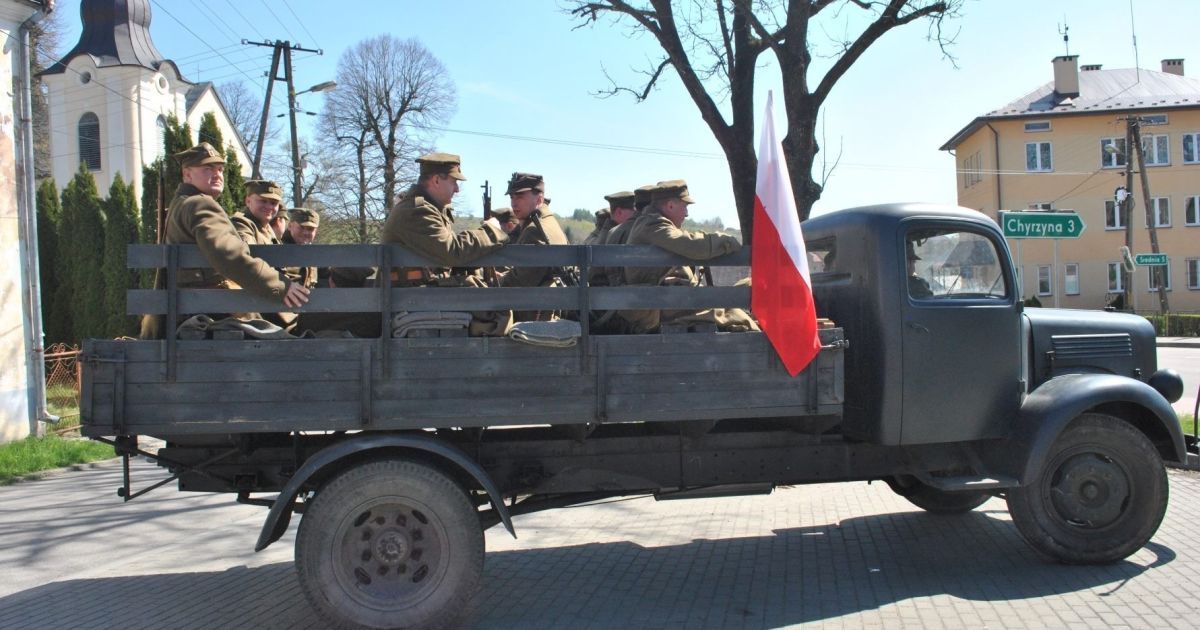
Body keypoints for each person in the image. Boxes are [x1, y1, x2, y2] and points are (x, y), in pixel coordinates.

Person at [138, 143, 308, 339]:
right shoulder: (200, 204)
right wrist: (278, 284)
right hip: (214, 309)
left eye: (219, 169)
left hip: (196, 304)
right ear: (187, 174)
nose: (217, 174)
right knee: (295, 343)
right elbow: (229, 255)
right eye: (207, 169)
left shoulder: (182, 203)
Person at [621, 179, 743, 334]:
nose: (686, 213)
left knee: (729, 307)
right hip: (657, 307)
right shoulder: (653, 225)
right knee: (732, 314)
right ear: (670, 205)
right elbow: (692, 245)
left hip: (658, 304)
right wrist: (728, 241)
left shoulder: (651, 223)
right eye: (684, 206)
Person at [382, 152, 508, 284]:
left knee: (478, 287)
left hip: (416, 294)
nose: (457, 189)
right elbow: (452, 251)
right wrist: (491, 230)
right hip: (408, 297)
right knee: (477, 291)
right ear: (436, 180)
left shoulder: (429, 209)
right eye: (454, 182)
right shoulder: (416, 211)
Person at [496, 172, 571, 321]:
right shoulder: (548, 222)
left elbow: (520, 282)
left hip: (533, 318)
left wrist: (497, 281)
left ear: (539, 199)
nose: (513, 203)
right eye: (512, 197)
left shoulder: (534, 230)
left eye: (520, 196)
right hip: (544, 311)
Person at [231, 179, 283, 246]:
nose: (269, 207)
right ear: (248, 201)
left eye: (273, 203)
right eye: (263, 201)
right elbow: (250, 253)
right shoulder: (240, 224)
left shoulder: (268, 229)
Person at [282, 207, 320, 289]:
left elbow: (324, 278)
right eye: (301, 227)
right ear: (290, 226)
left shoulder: (314, 253)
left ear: (315, 232)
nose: (306, 232)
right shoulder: (279, 249)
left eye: (310, 229)